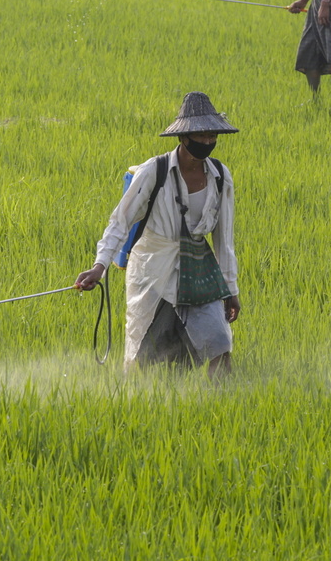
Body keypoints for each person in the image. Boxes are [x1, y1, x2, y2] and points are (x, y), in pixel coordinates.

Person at [75, 92, 241, 379]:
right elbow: (120, 223)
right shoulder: (155, 171)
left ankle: (219, 403)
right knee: (146, 352)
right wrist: (99, 267)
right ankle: (141, 401)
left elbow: (224, 241)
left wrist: (231, 290)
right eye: (200, 135)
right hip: (153, 269)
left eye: (212, 135)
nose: (206, 142)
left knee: (220, 342)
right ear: (183, 136)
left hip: (199, 267)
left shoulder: (220, 176)